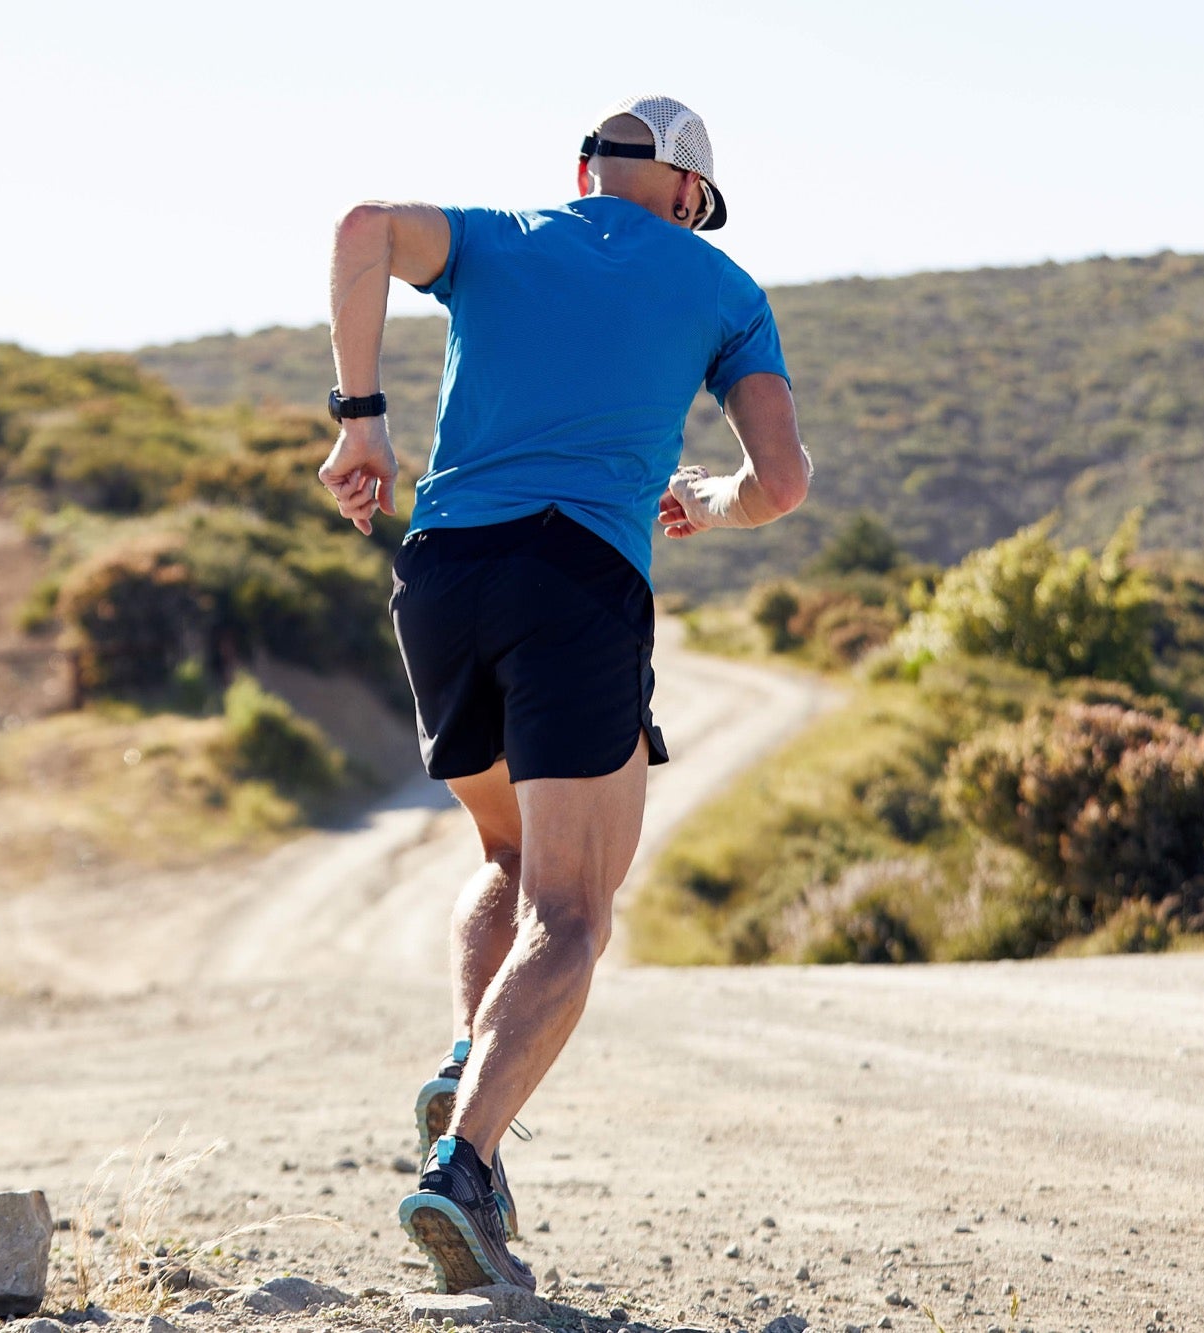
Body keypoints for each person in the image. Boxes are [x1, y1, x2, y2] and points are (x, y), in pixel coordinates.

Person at [317, 94, 813, 1292]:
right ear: (688, 192)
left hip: (441, 576)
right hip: (576, 582)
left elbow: (361, 226)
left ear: (583, 172)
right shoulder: (721, 288)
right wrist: (710, 502)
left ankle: (468, 1051)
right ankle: (463, 1167)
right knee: (572, 910)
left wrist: (361, 424)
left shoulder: (496, 238)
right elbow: (782, 480)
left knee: (504, 852)